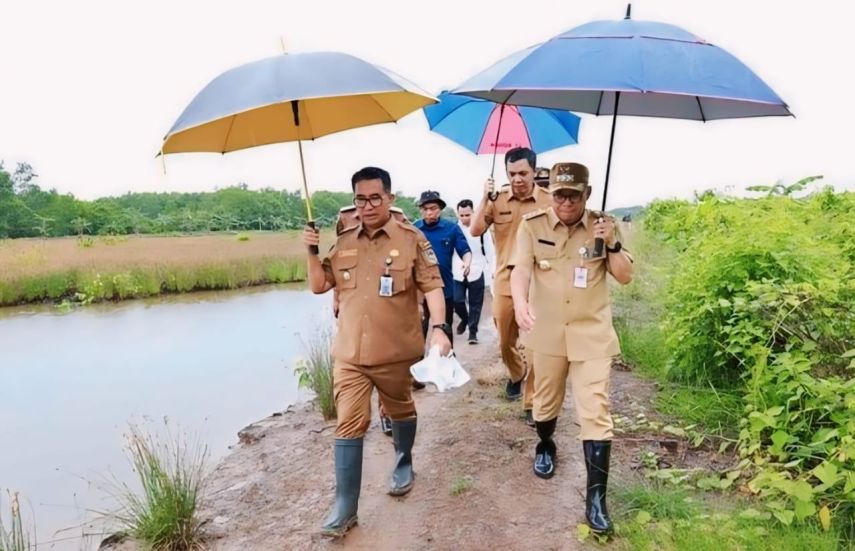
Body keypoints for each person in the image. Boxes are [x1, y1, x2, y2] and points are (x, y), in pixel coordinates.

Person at [303, 166, 452, 538]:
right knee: (348, 422)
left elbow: (433, 286)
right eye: (360, 199)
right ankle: (345, 507)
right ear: (353, 201)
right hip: (350, 355)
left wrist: (439, 328)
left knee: (401, 409)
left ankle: (403, 461)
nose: (367, 206)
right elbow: (320, 284)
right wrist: (310, 249)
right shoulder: (346, 240)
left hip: (396, 353)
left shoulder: (411, 238)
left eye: (374, 198)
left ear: (389, 198)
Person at [509, 162, 633, 535]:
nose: (565, 201)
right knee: (545, 404)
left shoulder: (602, 226)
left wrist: (611, 242)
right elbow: (521, 271)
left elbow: (625, 276)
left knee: (596, 410)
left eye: (573, 195)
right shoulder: (532, 225)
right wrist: (519, 303)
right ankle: (546, 443)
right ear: (551, 192)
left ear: (587, 194)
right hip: (546, 333)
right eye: (559, 193)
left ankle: (596, 500)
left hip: (591, 335)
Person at [469, 147, 552, 425]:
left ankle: (532, 402)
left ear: (535, 172)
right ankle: (517, 374)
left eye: (523, 173)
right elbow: (475, 229)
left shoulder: (548, 201)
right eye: (512, 173)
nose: (517, 179)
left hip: (539, 283)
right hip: (505, 280)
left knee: (537, 345)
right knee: (506, 340)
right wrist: (484, 196)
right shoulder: (497, 200)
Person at [414, 190, 472, 347]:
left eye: (432, 208)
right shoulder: (414, 230)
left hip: (444, 288)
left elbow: (464, 250)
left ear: (439, 208)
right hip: (421, 290)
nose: (429, 212)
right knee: (419, 330)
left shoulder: (451, 229)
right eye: (425, 209)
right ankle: (418, 365)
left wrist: (467, 262)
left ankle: (447, 364)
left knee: (444, 330)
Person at [452, 199, 494, 344]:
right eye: (461, 215)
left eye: (467, 215)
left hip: (477, 268)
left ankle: (473, 332)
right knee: (457, 300)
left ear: (473, 213)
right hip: (457, 270)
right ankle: (464, 318)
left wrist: (493, 269)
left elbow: (489, 251)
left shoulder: (482, 229)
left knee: (476, 303)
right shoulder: (453, 229)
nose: (464, 218)